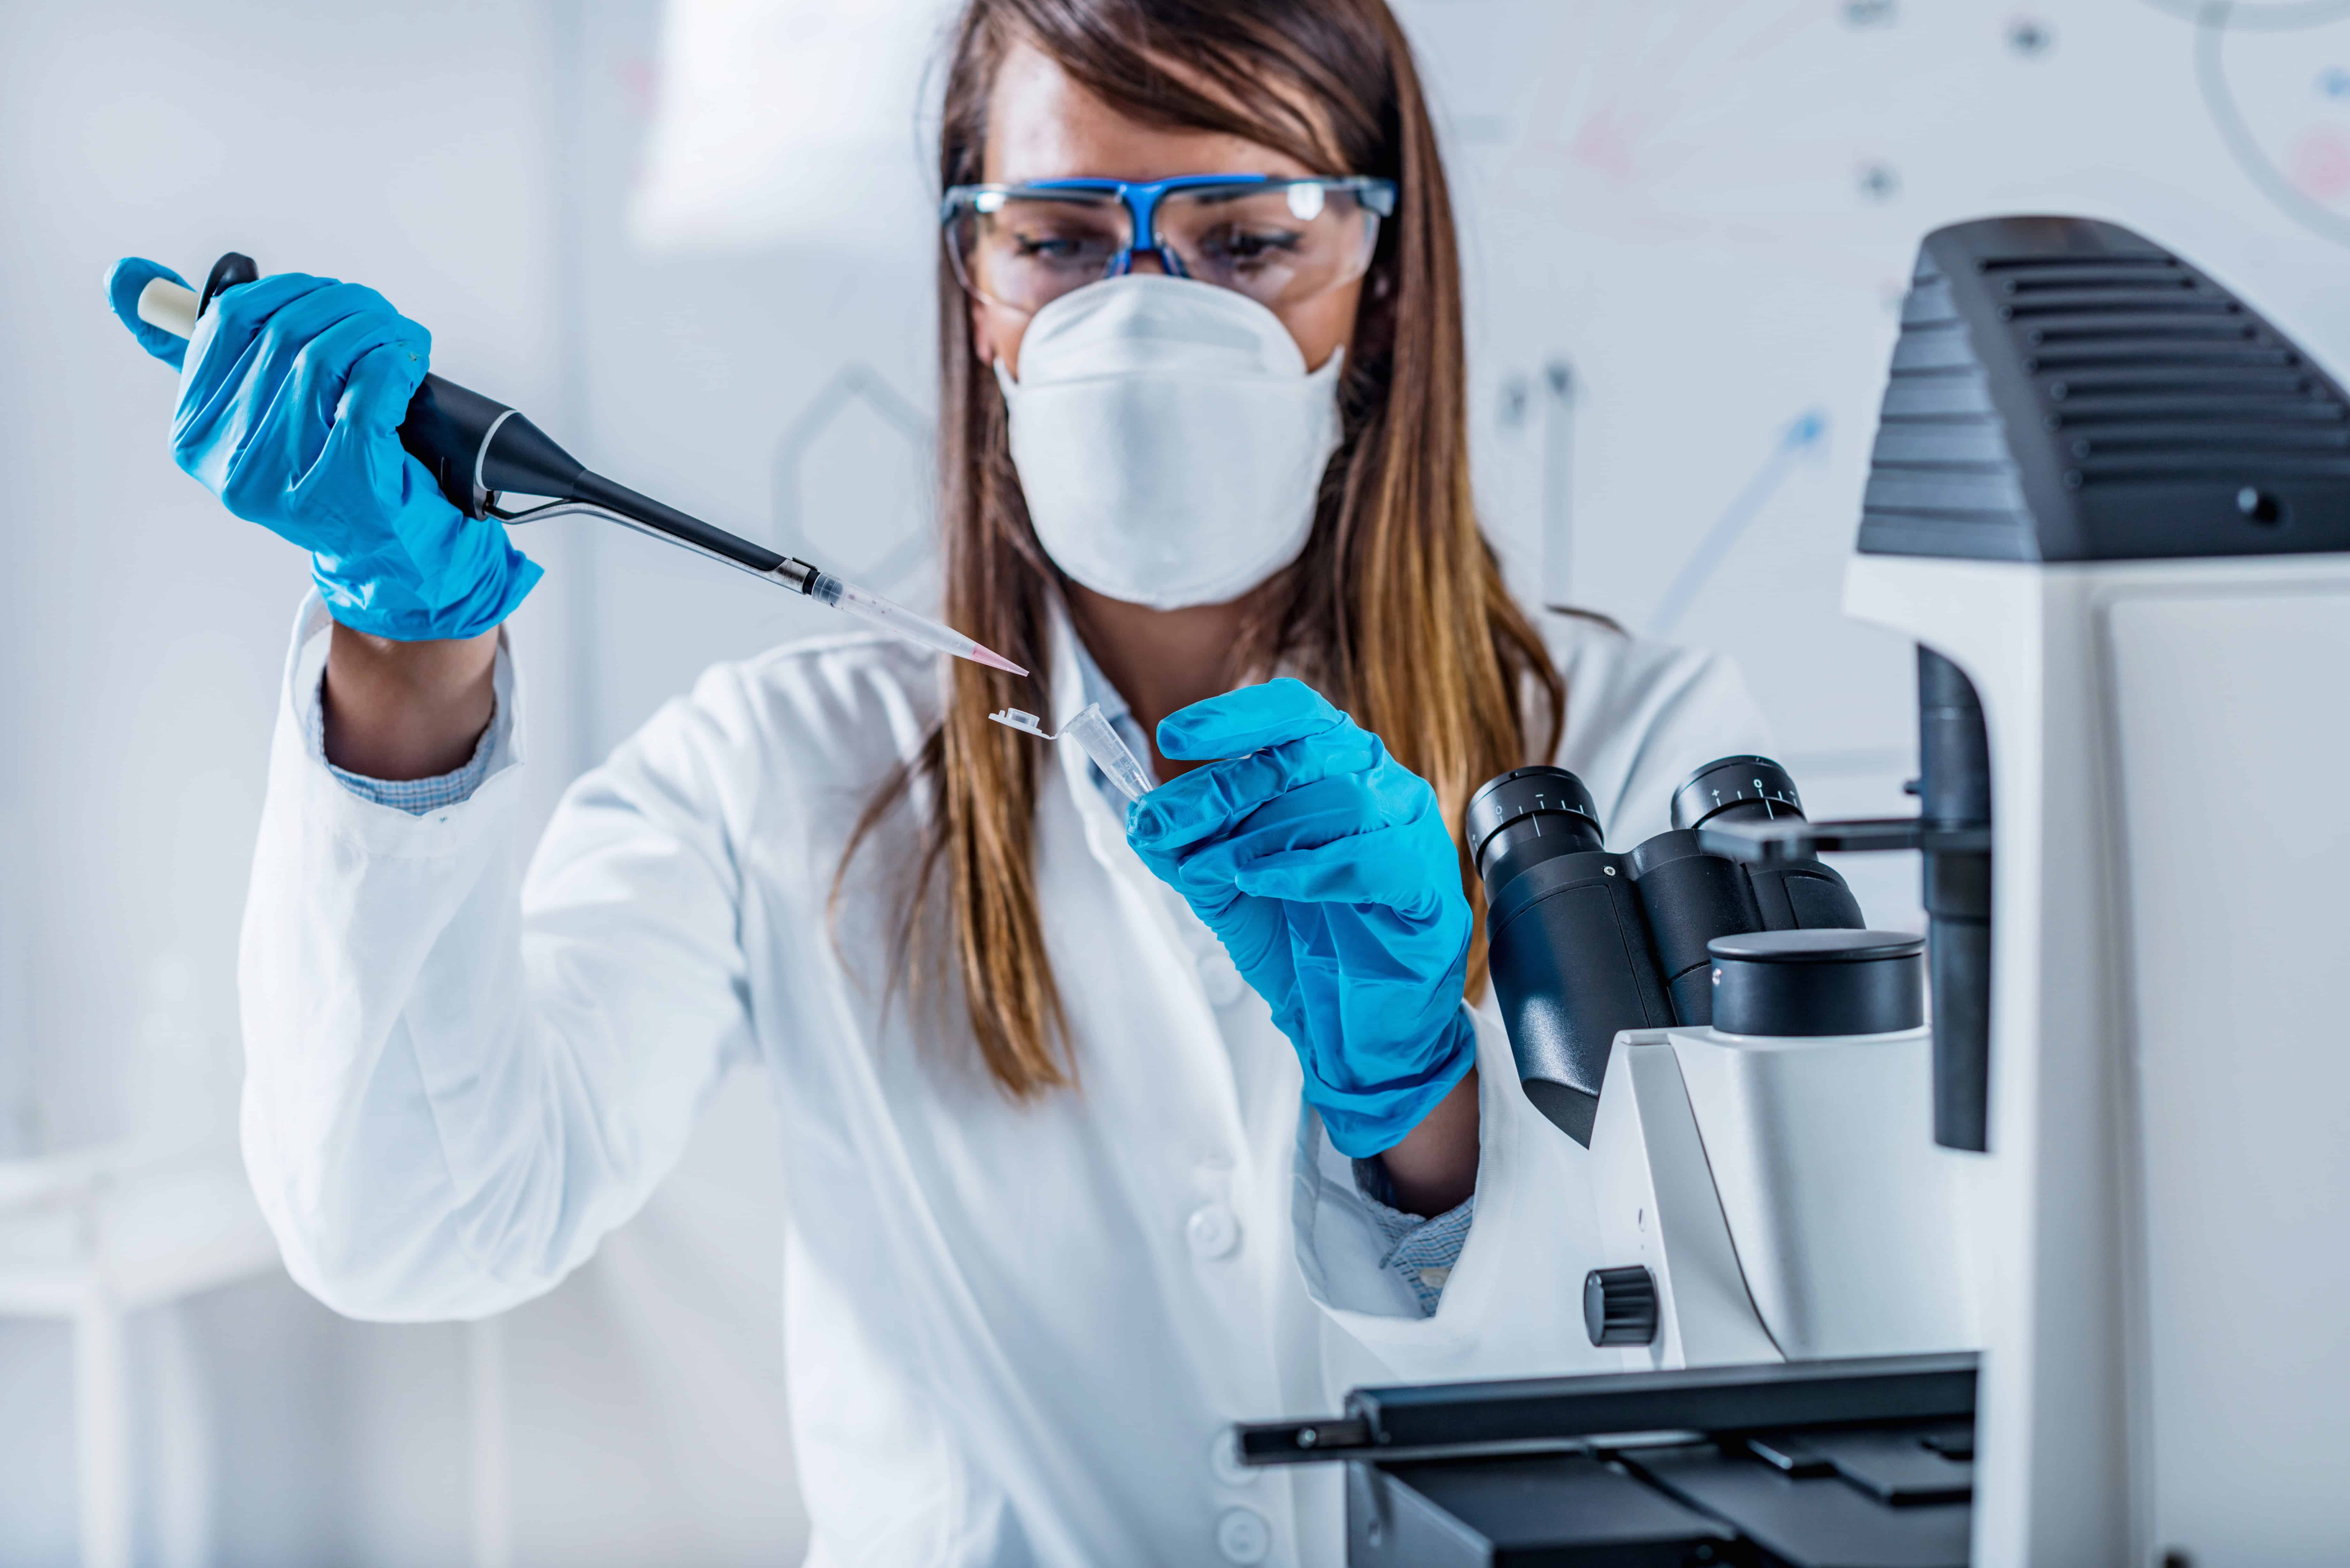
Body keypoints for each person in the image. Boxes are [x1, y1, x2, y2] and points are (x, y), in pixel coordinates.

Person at [108, 1, 1765, 1561]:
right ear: (973, 286)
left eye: (1245, 244)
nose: (1146, 318)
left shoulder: (1637, 741)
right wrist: (402, 664)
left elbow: (1771, 1365)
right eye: (1056, 242)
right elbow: (417, 1225)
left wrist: (1433, 1125)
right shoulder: (773, 770)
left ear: (1382, 277)